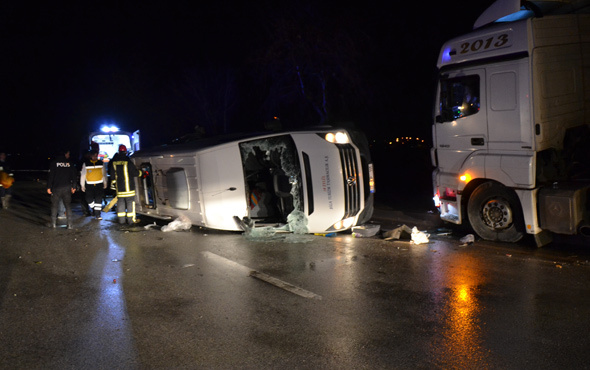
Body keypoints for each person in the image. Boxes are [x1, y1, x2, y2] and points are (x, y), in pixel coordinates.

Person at [109, 145, 142, 225]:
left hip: (119, 189)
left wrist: (113, 185)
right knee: (130, 204)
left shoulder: (114, 162)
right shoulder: (128, 162)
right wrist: (141, 172)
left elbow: (112, 175)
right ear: (126, 152)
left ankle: (121, 221)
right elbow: (135, 173)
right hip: (129, 188)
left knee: (120, 204)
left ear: (119, 151)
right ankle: (131, 221)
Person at [47, 149, 76, 229]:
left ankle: (53, 224)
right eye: (68, 154)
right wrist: (74, 186)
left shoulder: (53, 163)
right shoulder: (69, 163)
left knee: (54, 205)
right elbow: (74, 176)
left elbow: (51, 176)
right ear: (65, 154)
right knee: (68, 205)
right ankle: (70, 225)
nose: (69, 155)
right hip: (67, 188)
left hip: (56, 188)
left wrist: (49, 187)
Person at [80, 149, 107, 220]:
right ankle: (95, 209)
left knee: (98, 200)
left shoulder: (101, 163)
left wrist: (105, 182)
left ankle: (98, 215)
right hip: (89, 185)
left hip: (99, 184)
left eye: (96, 156)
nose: (95, 157)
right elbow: (83, 175)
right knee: (88, 199)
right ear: (91, 156)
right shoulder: (86, 164)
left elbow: (104, 174)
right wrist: (82, 185)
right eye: (93, 156)